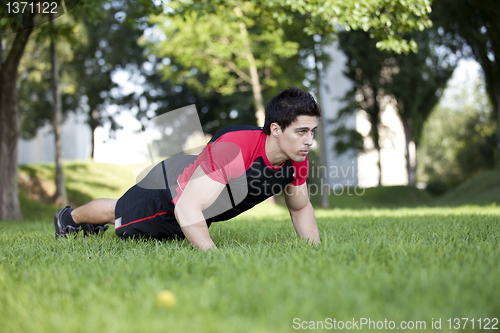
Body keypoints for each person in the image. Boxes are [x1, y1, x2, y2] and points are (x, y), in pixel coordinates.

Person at [54, 87, 321, 250]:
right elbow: (186, 207)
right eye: (301, 131)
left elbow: (299, 207)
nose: (309, 140)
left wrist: (314, 251)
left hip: (193, 199)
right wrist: (212, 256)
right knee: (119, 211)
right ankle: (69, 219)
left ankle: (85, 224)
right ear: (276, 129)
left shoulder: (296, 158)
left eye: (312, 131)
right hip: (168, 197)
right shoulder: (235, 148)